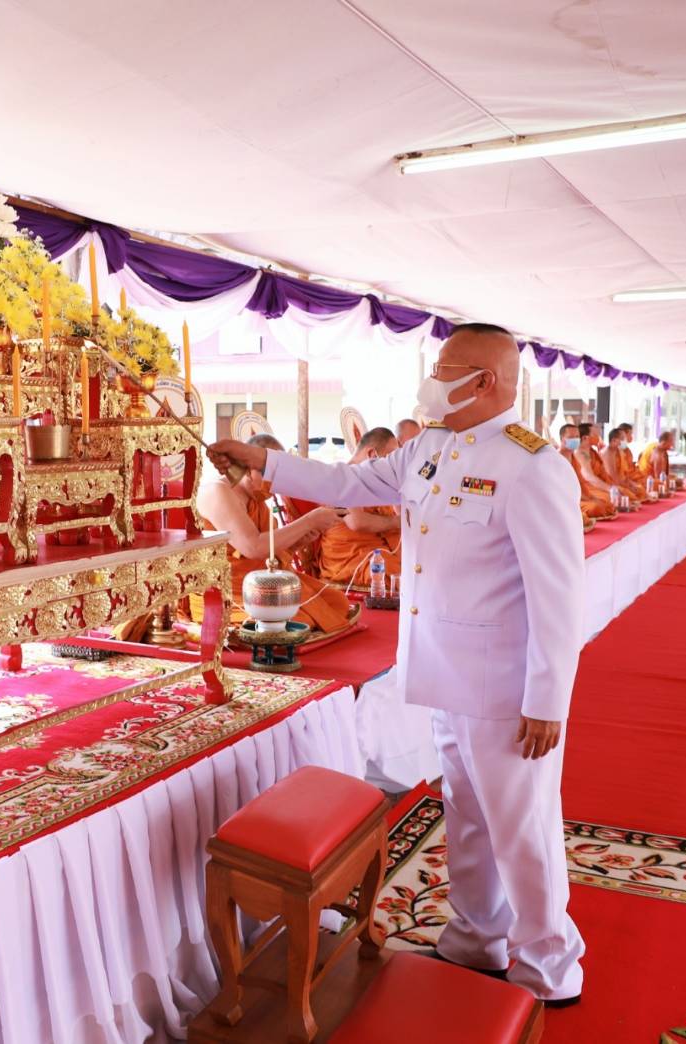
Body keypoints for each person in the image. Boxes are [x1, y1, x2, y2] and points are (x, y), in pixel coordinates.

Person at [207, 322, 587, 1006]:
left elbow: (558, 594)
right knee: (467, 813)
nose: (432, 378)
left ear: (486, 382)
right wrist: (262, 463)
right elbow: (347, 482)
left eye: (446, 367)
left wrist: (547, 699)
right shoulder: (429, 450)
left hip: (505, 688)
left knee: (523, 827)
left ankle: (549, 966)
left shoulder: (532, 464)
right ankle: (477, 935)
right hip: (446, 671)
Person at [190, 433, 353, 632]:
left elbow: (269, 557)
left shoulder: (255, 500)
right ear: (248, 467)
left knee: (337, 602)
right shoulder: (217, 491)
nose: (275, 486)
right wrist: (311, 520)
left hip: (262, 584)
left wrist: (298, 542)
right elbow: (253, 547)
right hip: (231, 592)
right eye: (271, 476)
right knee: (298, 620)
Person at [317, 427, 402, 585]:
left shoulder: (375, 481)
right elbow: (357, 522)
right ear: (372, 455)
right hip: (350, 556)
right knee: (393, 573)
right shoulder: (342, 476)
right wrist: (397, 522)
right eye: (389, 460)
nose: (393, 467)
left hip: (378, 551)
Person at [560, 424, 617, 519]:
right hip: (566, 500)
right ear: (562, 439)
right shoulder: (558, 458)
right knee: (596, 507)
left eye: (577, 437)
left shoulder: (573, 458)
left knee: (606, 505)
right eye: (571, 437)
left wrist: (592, 498)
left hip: (581, 495)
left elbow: (581, 483)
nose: (575, 439)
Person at [600, 426, 646, 502]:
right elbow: (612, 477)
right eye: (622, 439)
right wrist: (626, 487)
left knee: (640, 490)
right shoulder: (607, 453)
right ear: (613, 440)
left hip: (622, 482)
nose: (625, 441)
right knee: (629, 494)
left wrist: (631, 484)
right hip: (610, 485)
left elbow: (624, 474)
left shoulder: (619, 452)